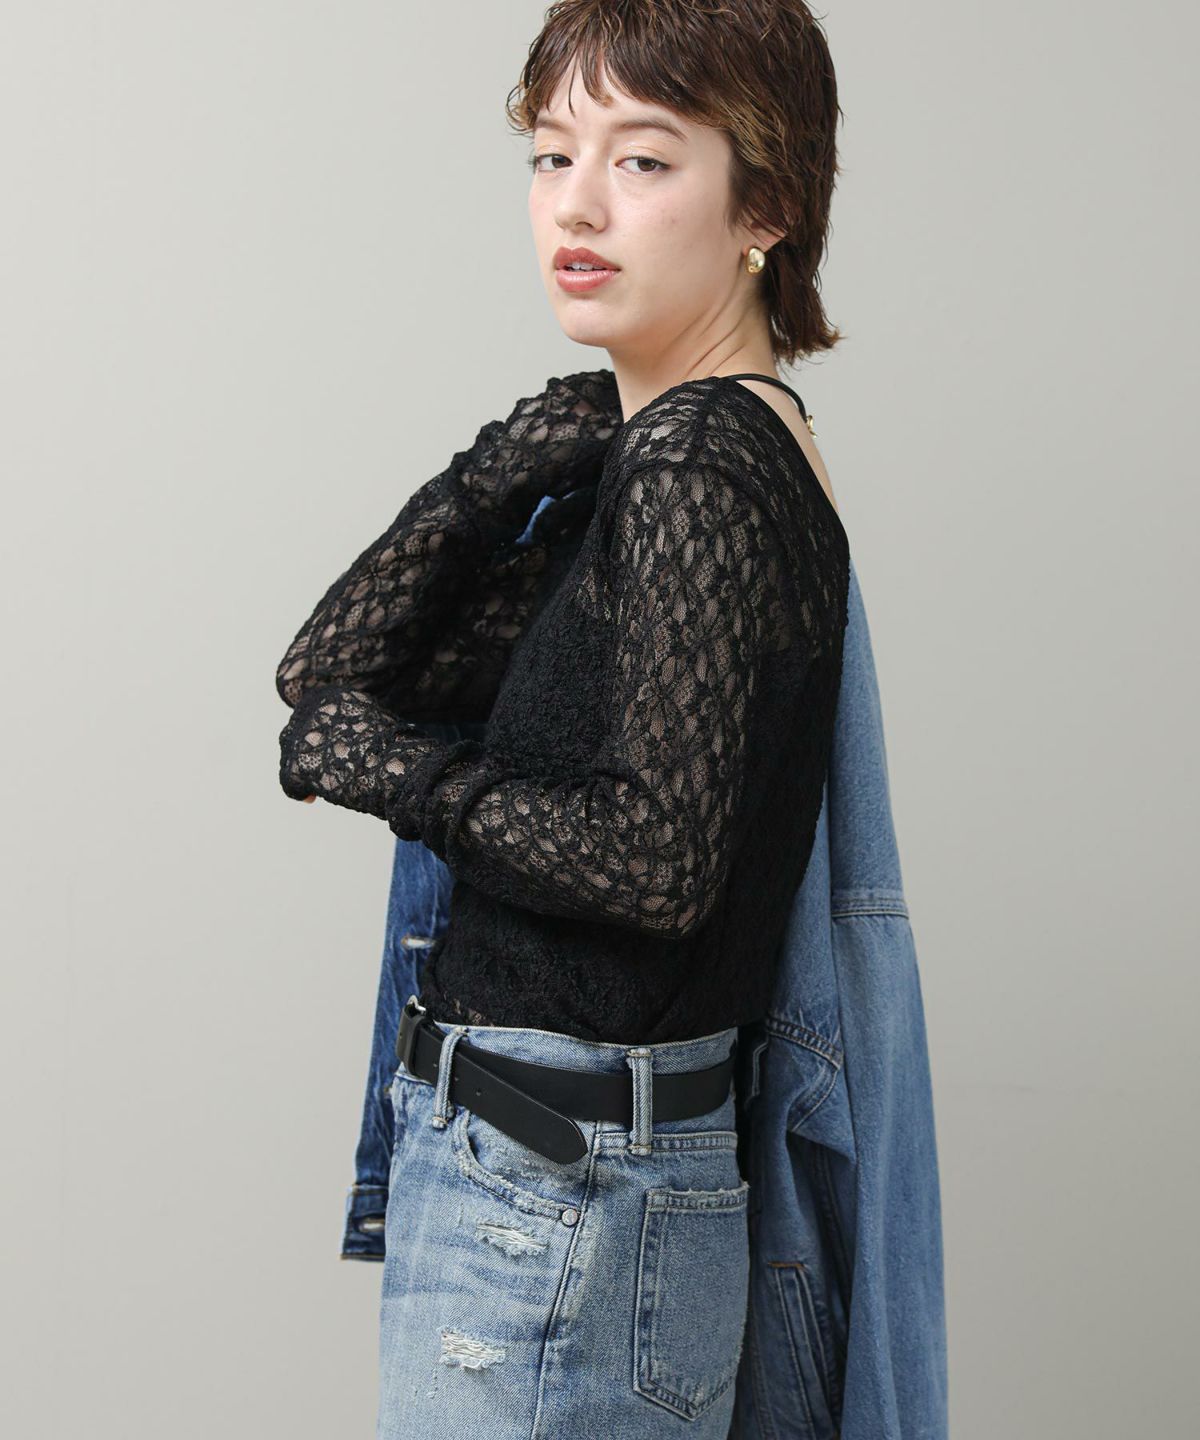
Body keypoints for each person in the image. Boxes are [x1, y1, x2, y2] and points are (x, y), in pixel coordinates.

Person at [274, 2, 849, 1434]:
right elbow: (330, 675)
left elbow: (654, 864)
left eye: (643, 160)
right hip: (561, 1179)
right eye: (551, 155)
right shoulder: (670, 448)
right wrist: (504, 467)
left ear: (765, 206)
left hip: (554, 1191)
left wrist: (407, 780)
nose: (577, 206)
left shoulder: (696, 463)